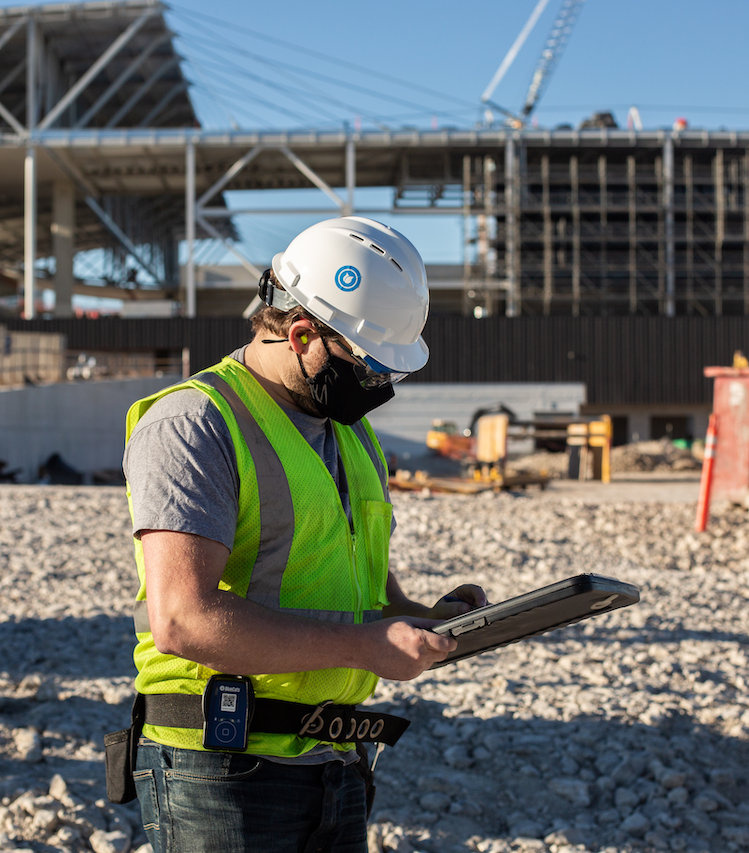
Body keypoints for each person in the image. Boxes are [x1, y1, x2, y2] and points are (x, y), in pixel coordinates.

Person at [122, 216, 487, 853]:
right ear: (300, 335)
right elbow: (183, 620)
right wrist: (363, 647)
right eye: (371, 368)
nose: (381, 388)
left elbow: (351, 587)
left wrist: (423, 620)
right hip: (221, 773)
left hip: (335, 761)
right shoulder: (194, 422)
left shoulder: (346, 431)